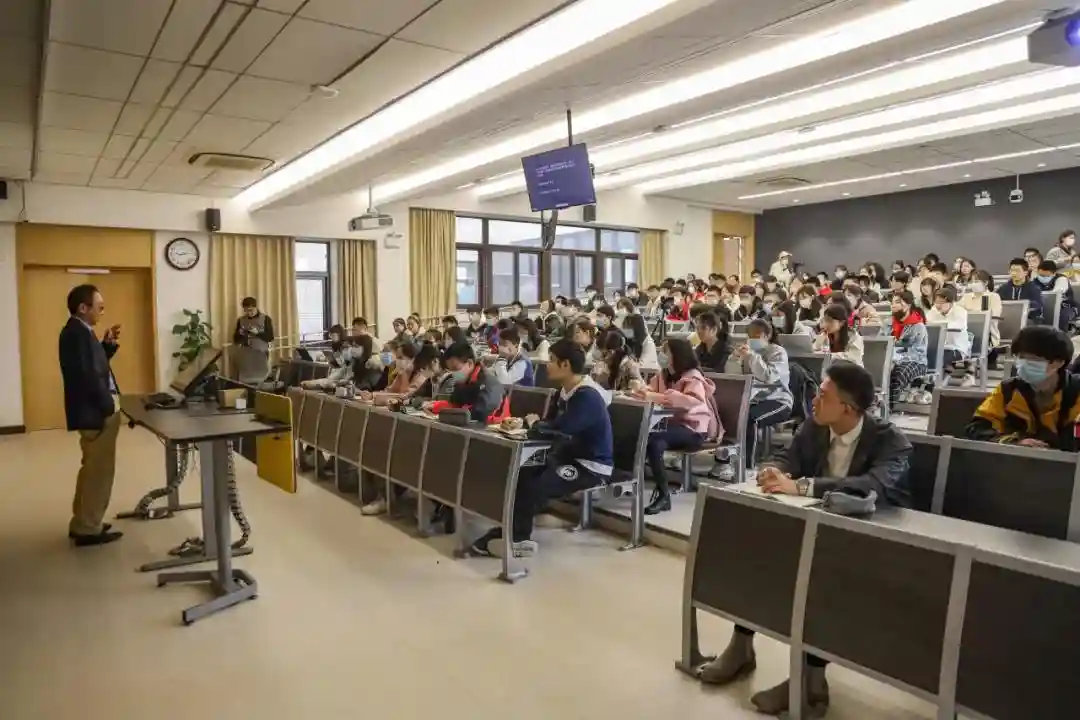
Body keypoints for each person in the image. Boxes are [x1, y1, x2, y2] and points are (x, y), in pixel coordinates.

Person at [698, 363, 912, 717]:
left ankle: (811, 681)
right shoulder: (815, 426)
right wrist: (775, 471)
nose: (813, 400)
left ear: (848, 408)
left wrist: (801, 486)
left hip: (872, 542)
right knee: (755, 553)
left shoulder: (891, 441)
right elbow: (788, 457)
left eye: (823, 395)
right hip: (818, 530)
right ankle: (741, 646)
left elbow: (872, 486)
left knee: (822, 577)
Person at [468, 340, 614, 558]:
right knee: (522, 472)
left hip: (590, 466)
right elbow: (548, 425)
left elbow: (560, 429)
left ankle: (516, 539)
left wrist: (536, 424)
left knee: (535, 485)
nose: (547, 364)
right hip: (566, 457)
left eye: (552, 360)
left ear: (566, 365)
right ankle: (514, 533)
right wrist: (530, 424)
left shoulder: (587, 396)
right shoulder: (563, 392)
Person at [60, 284, 124, 546]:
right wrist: (108, 405)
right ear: (82, 308)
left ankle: (83, 520)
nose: (102, 312)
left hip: (94, 410)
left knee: (92, 469)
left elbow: (95, 364)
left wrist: (106, 346)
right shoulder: (76, 334)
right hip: (96, 413)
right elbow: (87, 376)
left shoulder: (81, 332)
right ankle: (88, 528)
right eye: (99, 307)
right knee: (99, 472)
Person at [634, 338, 720, 515]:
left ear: (677, 355)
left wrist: (657, 396)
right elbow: (650, 391)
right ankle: (654, 491)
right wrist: (641, 391)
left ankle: (662, 494)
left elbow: (691, 402)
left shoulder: (693, 376)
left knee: (653, 440)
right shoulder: (664, 375)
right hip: (671, 427)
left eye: (666, 352)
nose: (662, 355)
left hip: (693, 430)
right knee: (648, 440)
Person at [967, 326, 1080, 450]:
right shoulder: (1008, 391)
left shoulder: (1076, 392)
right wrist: (1013, 441)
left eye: (1033, 359)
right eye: (1020, 357)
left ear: (1058, 362)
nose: (1024, 364)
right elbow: (977, 427)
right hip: (1017, 460)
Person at [727, 319, 793, 471]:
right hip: (752, 399)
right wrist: (734, 359)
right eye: (750, 336)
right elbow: (734, 377)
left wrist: (752, 357)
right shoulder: (747, 352)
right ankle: (727, 460)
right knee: (733, 415)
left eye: (757, 335)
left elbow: (768, 376)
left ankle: (747, 466)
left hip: (778, 399)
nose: (753, 339)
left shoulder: (777, 352)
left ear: (767, 335)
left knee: (751, 419)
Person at [423, 342, 508, 422]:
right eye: (450, 370)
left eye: (455, 368)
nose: (453, 373)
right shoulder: (462, 383)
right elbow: (456, 404)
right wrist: (436, 406)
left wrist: (447, 413)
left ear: (470, 363)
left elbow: (479, 414)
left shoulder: (489, 383)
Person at [926, 286, 972, 387]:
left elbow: (957, 325)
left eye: (941, 303)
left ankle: (935, 382)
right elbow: (927, 322)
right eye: (936, 302)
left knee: (938, 358)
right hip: (938, 347)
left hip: (956, 347)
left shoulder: (960, 312)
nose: (938, 305)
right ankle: (929, 382)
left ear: (950, 302)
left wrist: (939, 325)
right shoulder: (934, 311)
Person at [889, 291, 929, 405]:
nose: (893, 306)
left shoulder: (918, 326)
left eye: (897, 302)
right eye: (892, 303)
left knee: (898, 373)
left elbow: (916, 352)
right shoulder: (888, 323)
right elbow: (883, 342)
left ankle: (890, 405)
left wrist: (897, 358)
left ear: (908, 305)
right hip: (892, 357)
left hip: (916, 361)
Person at [959, 270, 1004, 368]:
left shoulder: (993, 297)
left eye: (976, 281)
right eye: (971, 282)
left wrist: (972, 313)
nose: (973, 284)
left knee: (974, 339)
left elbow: (994, 315)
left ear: (986, 283)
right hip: (967, 332)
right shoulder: (966, 297)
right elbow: (958, 312)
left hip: (987, 335)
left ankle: (971, 367)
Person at [300, 324, 351, 389]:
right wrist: (330, 360)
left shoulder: (346, 346)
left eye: (333, 335)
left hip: (344, 375)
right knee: (321, 381)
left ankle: (312, 384)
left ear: (339, 334)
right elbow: (337, 364)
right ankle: (310, 384)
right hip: (337, 373)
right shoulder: (335, 346)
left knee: (326, 382)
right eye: (330, 335)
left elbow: (346, 364)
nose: (331, 338)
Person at [1034, 259, 1078, 330]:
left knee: (1060, 317)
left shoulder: (1061, 279)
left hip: (1065, 307)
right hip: (1045, 308)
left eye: (1046, 276)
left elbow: (1055, 294)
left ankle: (1060, 335)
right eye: (1041, 275)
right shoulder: (1035, 281)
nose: (1043, 278)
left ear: (1054, 273)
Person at [998, 257, 1045, 322]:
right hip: (1007, 319)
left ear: (1026, 272)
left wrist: (1020, 305)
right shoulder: (1003, 288)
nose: (1014, 273)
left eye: (1017, 271)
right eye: (1012, 270)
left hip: (1028, 320)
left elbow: (1037, 306)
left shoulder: (1034, 288)